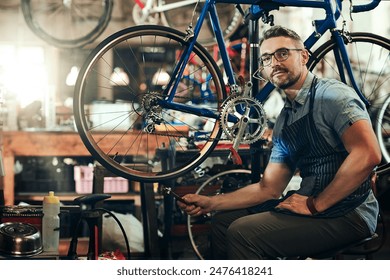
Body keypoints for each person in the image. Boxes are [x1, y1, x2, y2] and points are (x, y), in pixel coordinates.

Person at [177, 26, 382, 259]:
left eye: (282, 53)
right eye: (266, 58)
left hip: (350, 213)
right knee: (222, 223)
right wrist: (210, 203)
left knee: (242, 233)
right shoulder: (286, 119)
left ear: (304, 56)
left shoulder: (332, 96)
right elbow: (269, 188)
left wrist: (316, 204)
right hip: (314, 204)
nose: (274, 62)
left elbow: (368, 154)